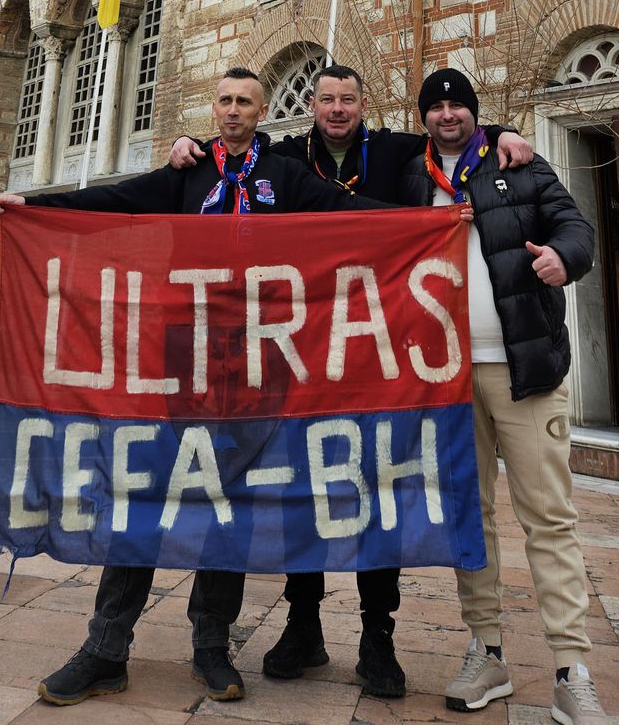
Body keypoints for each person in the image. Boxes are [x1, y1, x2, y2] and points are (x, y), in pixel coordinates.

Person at [0, 66, 412, 709]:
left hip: (255, 363)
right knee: (144, 493)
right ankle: (106, 648)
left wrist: (434, 222)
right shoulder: (188, 174)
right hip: (178, 359)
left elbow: (349, 213)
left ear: (264, 109)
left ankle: (211, 646)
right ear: (213, 109)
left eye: (246, 101)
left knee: (227, 502)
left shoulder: (287, 177)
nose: (235, 109)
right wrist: (34, 207)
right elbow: (118, 200)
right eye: (225, 100)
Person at [169, 62, 533, 699]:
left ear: (365, 105)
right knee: (307, 486)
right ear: (311, 105)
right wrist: (191, 146)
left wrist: (502, 131)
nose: (337, 110)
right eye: (327, 100)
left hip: (378, 350)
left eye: (348, 100)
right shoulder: (285, 156)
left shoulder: (392, 149)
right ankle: (304, 626)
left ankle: (377, 639)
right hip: (305, 351)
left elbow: (449, 127)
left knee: (377, 487)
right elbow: (229, 147)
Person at [399, 68, 606, 724]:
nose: (449, 114)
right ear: (425, 116)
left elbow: (576, 227)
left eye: (459, 103)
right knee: (472, 518)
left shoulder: (520, 163)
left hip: (524, 368)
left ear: (474, 113)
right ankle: (486, 650)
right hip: (447, 376)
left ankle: (573, 671)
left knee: (548, 519)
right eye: (437, 106)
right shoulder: (409, 177)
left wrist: (563, 260)